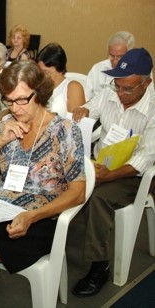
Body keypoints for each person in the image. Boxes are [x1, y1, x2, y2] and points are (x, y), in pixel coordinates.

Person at [0, 60, 86, 307]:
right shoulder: (6, 124)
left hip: (40, 218)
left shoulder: (65, 130)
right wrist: (0, 140)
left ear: (39, 92)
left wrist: (32, 215)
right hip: (0, 209)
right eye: (9, 101)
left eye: (22, 99)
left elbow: (78, 193)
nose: (15, 108)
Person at [71, 48, 155, 298]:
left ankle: (99, 266)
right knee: (63, 178)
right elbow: (90, 109)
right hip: (100, 161)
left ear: (146, 83)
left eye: (127, 89)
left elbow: (145, 158)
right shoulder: (111, 91)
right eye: (117, 86)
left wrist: (108, 175)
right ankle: (52, 241)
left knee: (99, 197)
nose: (120, 93)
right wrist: (83, 111)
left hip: (131, 174)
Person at [37, 43, 85, 118]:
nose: (42, 77)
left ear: (60, 69)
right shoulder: (37, 85)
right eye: (40, 72)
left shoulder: (73, 87)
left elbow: (76, 124)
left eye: (46, 72)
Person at [85, 31, 135, 101]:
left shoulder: (141, 71)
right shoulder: (97, 69)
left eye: (120, 57)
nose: (115, 61)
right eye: (111, 56)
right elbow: (86, 97)